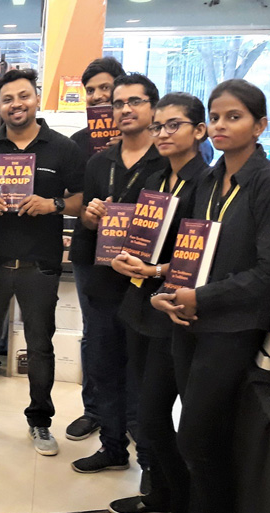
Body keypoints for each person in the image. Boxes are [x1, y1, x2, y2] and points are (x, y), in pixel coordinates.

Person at [150, 80, 270, 513]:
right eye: (215, 116)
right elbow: (190, 252)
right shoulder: (211, 180)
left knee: (199, 435)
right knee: (194, 435)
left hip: (232, 327)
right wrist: (169, 290)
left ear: (259, 126)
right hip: (190, 320)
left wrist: (203, 298)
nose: (220, 125)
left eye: (234, 116)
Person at [0, 69, 85, 456]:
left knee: (40, 347)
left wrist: (54, 204)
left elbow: (83, 197)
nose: (16, 104)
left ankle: (40, 421)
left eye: (23, 96)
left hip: (39, 265)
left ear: (36, 98)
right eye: (8, 99)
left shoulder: (62, 148)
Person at [106, 93, 209, 513]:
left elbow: (202, 254)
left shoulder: (205, 183)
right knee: (145, 415)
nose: (163, 134)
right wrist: (123, 255)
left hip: (174, 312)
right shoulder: (155, 178)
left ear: (198, 131)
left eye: (174, 125)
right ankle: (162, 496)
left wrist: (156, 269)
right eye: (159, 127)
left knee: (153, 415)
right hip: (141, 305)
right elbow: (134, 232)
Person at [70, 73, 166, 475]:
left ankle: (149, 461)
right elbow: (85, 220)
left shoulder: (166, 161)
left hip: (147, 284)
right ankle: (112, 447)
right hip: (104, 279)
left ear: (153, 108)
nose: (125, 109)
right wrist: (90, 216)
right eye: (119, 103)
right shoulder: (99, 162)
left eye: (135, 102)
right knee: (103, 366)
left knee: (142, 375)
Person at [64, 56, 126, 444]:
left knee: (130, 332)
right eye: (91, 90)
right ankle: (95, 410)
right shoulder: (79, 142)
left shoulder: (150, 142)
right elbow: (70, 198)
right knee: (95, 334)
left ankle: (129, 416)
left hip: (136, 252)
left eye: (106, 88)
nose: (99, 96)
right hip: (90, 250)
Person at [70, 56, 125, 160]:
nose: (96, 96)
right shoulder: (76, 142)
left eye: (105, 87)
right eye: (90, 91)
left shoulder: (139, 138)